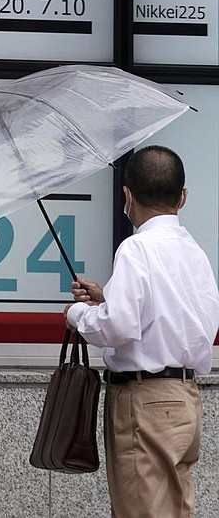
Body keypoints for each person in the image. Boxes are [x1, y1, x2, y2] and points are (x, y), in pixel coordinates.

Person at [65, 145, 219, 518]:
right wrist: (108, 298)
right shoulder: (195, 252)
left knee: (141, 510)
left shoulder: (136, 249)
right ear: (183, 197)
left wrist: (78, 316)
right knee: (175, 509)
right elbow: (187, 316)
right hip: (184, 399)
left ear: (127, 196)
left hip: (143, 400)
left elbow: (119, 327)